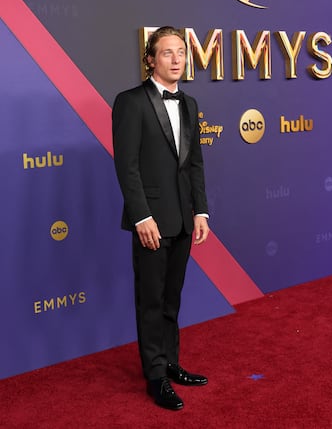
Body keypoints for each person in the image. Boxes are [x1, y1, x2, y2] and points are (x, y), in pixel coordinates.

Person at [112, 26, 210, 410]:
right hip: (150, 221)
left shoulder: (189, 103)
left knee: (172, 300)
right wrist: (141, 217)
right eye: (167, 52)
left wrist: (199, 210)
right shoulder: (130, 102)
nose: (176, 59)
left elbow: (195, 164)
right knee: (150, 301)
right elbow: (127, 166)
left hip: (183, 219)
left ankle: (170, 362)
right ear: (150, 59)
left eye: (181, 52)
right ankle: (155, 376)